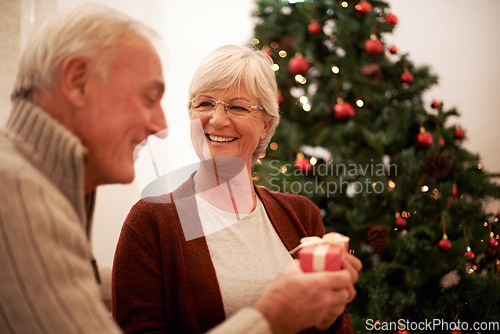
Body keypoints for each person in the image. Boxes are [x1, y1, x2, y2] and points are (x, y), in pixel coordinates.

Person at [112, 45, 362, 334]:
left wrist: (328, 316)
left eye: (238, 107)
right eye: (204, 104)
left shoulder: (301, 215)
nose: (217, 119)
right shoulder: (154, 220)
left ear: (266, 126)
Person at [0, 3, 166, 333]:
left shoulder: (44, 186)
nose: (161, 125)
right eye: (149, 98)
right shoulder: (15, 191)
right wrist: (270, 317)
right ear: (77, 81)